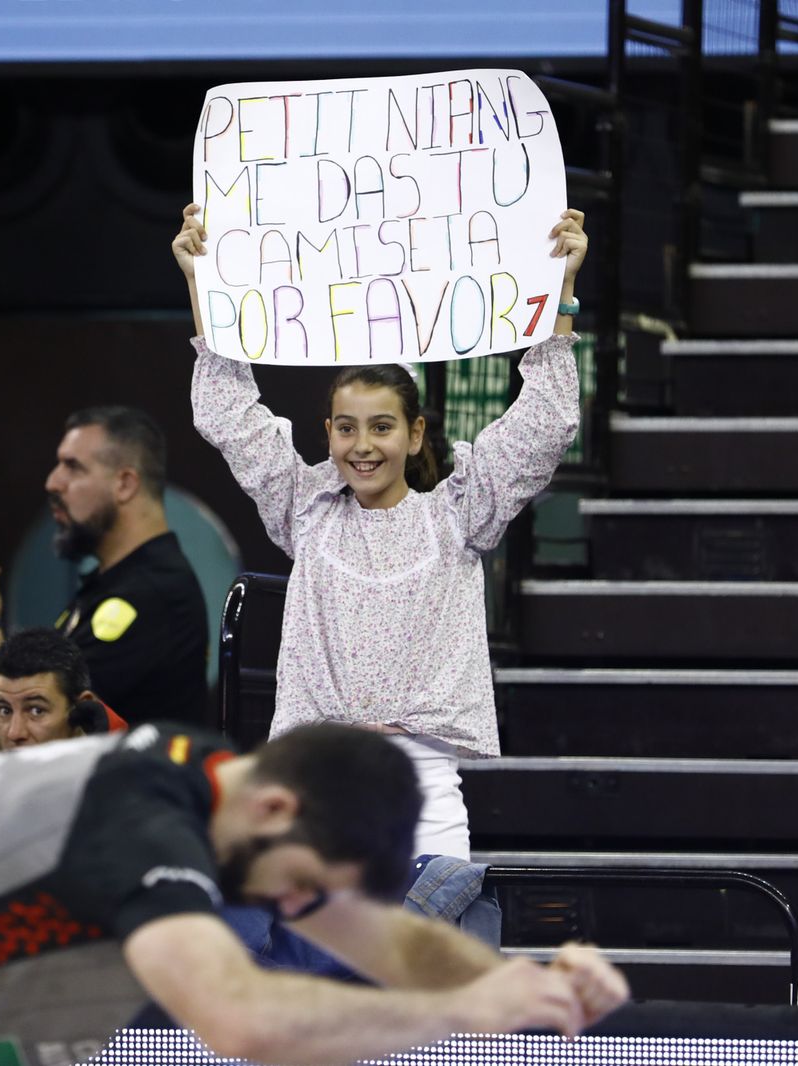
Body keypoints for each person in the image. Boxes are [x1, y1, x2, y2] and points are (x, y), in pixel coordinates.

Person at [0, 721, 627, 1066]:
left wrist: (510, 981)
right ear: (276, 810)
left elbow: (378, 937)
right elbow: (241, 1020)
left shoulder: (209, 781)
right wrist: (462, 1016)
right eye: (299, 890)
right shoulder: (143, 826)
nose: (296, 914)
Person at [173, 202, 588, 863]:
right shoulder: (305, 508)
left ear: (415, 433)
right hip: (314, 785)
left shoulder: (457, 515)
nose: (361, 445)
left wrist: (563, 289)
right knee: (318, 965)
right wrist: (203, 281)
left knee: (422, 963)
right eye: (345, 427)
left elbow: (545, 423)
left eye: (381, 426)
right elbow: (228, 413)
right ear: (328, 434)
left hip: (422, 790)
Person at [0, 406, 208, 753]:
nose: (53, 481)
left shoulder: (151, 596)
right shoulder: (107, 586)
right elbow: (2, 737)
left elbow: (14, 746)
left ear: (125, 483)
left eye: (73, 467)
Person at [0, 627, 129, 750]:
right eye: (5, 710)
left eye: (36, 710)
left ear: (83, 708)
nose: (14, 733)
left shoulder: (129, 775)